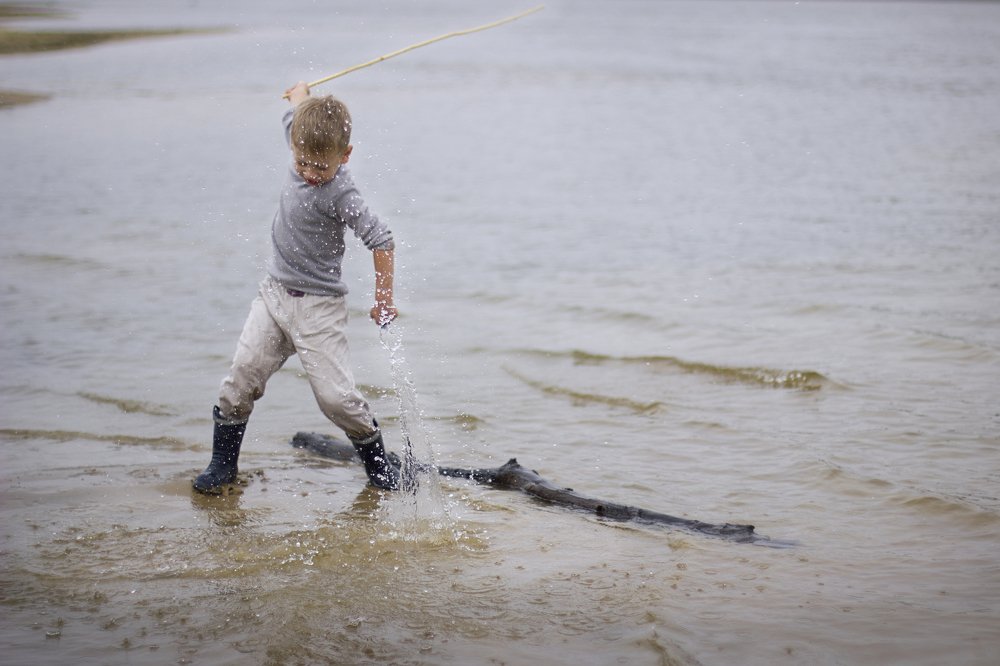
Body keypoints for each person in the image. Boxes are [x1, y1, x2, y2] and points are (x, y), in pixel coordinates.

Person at [193, 81, 400, 494]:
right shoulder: (300, 139)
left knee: (336, 400)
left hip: (319, 308)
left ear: (345, 156)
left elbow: (383, 240)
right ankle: (222, 466)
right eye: (303, 162)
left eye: (321, 167)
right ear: (294, 147)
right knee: (239, 382)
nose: (310, 173)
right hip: (273, 297)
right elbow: (296, 113)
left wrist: (384, 300)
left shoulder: (342, 193)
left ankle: (380, 466)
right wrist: (299, 95)